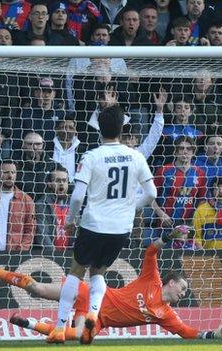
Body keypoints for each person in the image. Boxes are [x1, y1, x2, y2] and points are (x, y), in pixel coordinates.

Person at [0, 229, 222, 341]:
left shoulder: (166, 314)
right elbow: (150, 252)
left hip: (99, 322)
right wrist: (168, 237)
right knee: (36, 289)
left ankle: (30, 324)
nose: (184, 293)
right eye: (182, 288)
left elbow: (186, 332)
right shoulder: (152, 279)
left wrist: (214, 334)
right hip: (92, 296)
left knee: (78, 337)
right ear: (170, 282)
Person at [49, 105, 157, 344]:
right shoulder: (136, 156)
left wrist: (70, 221)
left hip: (94, 224)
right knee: (98, 272)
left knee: (76, 273)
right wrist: (131, 207)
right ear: (121, 128)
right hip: (120, 228)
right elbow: (151, 193)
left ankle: (59, 328)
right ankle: (93, 318)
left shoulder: (92, 156)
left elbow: (77, 197)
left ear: (99, 128)